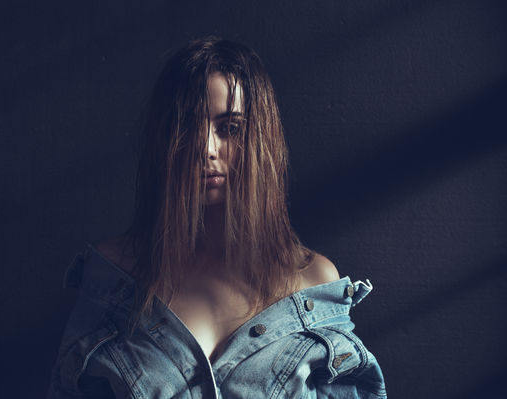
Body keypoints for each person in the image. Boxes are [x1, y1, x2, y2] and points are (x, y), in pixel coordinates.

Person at [47, 36, 387, 398]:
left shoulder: (313, 282)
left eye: (230, 128)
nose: (206, 148)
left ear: (261, 138)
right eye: (187, 126)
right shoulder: (114, 278)